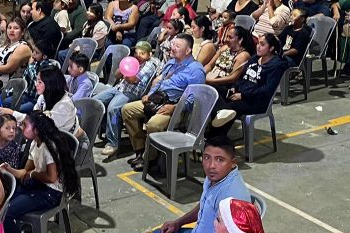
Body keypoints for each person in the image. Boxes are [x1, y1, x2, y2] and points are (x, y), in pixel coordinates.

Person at [0, 111, 81, 233]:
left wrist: (33, 174)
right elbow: (25, 172)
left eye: (25, 125)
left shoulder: (48, 147)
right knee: (3, 200)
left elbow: (51, 178)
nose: (21, 128)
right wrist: (9, 169)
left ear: (36, 129)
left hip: (51, 193)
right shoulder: (34, 144)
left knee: (7, 212)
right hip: (39, 185)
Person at [121, 33, 207, 171]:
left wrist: (174, 108)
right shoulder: (171, 62)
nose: (173, 48)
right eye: (173, 44)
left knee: (153, 124)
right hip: (158, 100)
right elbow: (160, 81)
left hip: (177, 107)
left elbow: (194, 99)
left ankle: (150, 159)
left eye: (177, 46)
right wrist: (149, 94)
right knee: (127, 110)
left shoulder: (196, 70)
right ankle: (140, 150)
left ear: (188, 50)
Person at [211, 33, 290, 134]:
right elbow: (241, 77)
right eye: (258, 43)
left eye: (262, 44)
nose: (258, 47)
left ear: (271, 48)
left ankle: (215, 137)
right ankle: (214, 125)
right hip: (240, 93)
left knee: (230, 108)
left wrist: (243, 95)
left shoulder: (276, 66)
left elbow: (267, 90)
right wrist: (235, 87)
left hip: (255, 101)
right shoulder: (254, 59)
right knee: (212, 90)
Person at [97, 41, 161, 157]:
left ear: (149, 54)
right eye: (136, 53)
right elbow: (116, 75)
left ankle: (113, 143)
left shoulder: (149, 65)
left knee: (113, 109)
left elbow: (133, 80)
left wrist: (125, 71)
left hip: (132, 93)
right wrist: (123, 66)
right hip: (119, 88)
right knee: (97, 101)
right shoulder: (132, 61)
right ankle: (105, 129)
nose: (138, 56)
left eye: (142, 53)